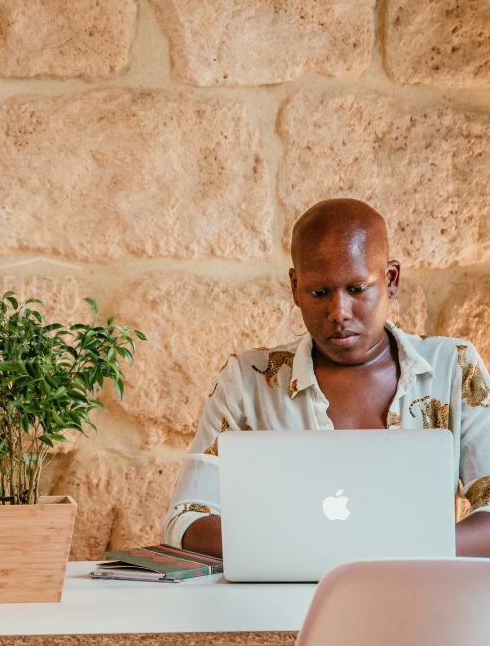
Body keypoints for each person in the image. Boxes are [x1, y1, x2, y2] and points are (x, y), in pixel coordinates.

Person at [163, 198, 490, 558]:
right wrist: (298, 550)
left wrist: (395, 552)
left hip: (415, 602)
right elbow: (186, 517)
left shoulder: (452, 367)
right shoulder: (249, 379)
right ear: (294, 287)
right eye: (319, 293)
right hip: (279, 610)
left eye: (357, 289)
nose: (339, 312)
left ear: (391, 279)